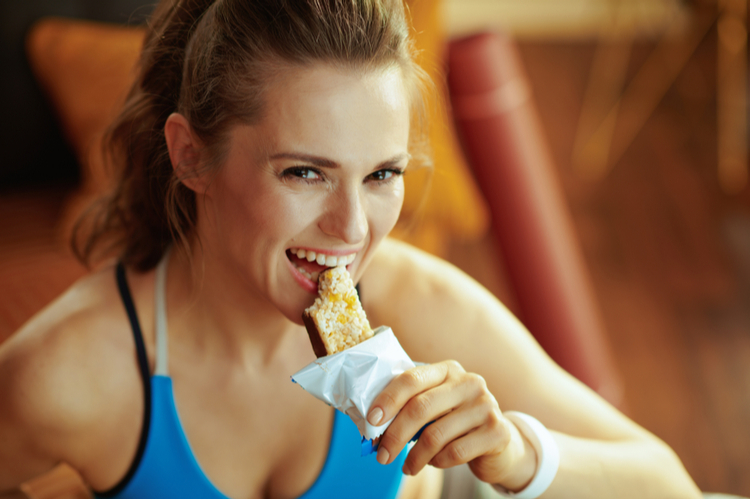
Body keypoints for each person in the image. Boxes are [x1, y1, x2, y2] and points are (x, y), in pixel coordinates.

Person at [0, 0, 701, 498]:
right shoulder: (73, 375)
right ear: (190, 157)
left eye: (381, 175)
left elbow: (670, 485)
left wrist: (517, 454)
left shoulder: (412, 303)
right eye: (304, 172)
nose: (355, 228)